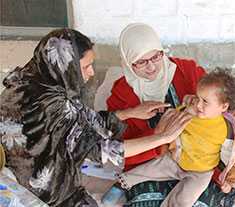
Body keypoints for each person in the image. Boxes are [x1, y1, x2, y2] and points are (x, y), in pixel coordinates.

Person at [0, 29, 192, 207]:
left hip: (25, 170)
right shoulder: (52, 104)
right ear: (67, 66)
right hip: (39, 187)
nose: (91, 73)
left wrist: (129, 113)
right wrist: (162, 137)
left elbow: (80, 121)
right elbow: (100, 151)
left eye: (156, 56)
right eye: (86, 66)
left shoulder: (35, 80)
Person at [103, 68, 235, 207]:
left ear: (224, 106)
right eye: (198, 98)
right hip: (175, 160)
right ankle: (121, 185)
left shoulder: (228, 131)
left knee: (184, 201)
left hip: (201, 172)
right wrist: (186, 107)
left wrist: (231, 181)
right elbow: (171, 120)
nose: (199, 104)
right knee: (146, 170)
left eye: (205, 101)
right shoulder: (190, 113)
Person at [106, 23, 206, 206]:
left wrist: (200, 105)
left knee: (198, 198)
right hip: (149, 164)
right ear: (128, 62)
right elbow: (120, 150)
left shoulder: (188, 71)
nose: (151, 67)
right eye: (141, 62)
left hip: (196, 157)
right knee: (145, 201)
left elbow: (219, 103)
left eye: (156, 56)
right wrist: (157, 136)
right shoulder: (120, 95)